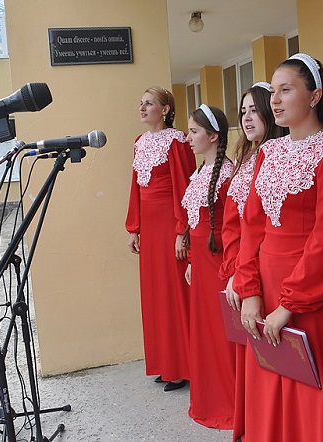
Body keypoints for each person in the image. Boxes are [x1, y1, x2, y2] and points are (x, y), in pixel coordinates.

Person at [233, 53, 323, 442]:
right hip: (266, 282)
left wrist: (288, 304)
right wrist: (250, 291)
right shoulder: (268, 152)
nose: (274, 99)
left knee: (307, 386)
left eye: (285, 89)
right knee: (269, 373)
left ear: (314, 95)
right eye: (272, 90)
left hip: (311, 292)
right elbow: (251, 226)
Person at [218, 81, 287, 442]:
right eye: (241, 110)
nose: (246, 117)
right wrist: (234, 272)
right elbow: (234, 224)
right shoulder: (246, 162)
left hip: (270, 273)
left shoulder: (281, 157)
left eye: (253, 109)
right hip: (244, 271)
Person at [125, 86, 196, 392]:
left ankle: (182, 367)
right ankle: (163, 363)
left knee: (173, 294)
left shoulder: (177, 141)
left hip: (169, 224)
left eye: (149, 103)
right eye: (141, 103)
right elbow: (135, 188)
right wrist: (134, 227)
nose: (142, 108)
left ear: (166, 109)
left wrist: (183, 230)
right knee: (154, 295)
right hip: (150, 230)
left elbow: (185, 186)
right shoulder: (139, 142)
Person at [181, 104, 236, 429]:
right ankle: (208, 398)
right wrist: (190, 261)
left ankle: (229, 404)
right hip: (200, 263)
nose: (188, 138)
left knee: (221, 334)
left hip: (218, 262)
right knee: (204, 331)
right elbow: (194, 221)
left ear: (213, 136)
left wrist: (231, 270)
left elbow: (231, 228)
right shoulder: (200, 172)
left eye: (194, 132)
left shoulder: (226, 174)